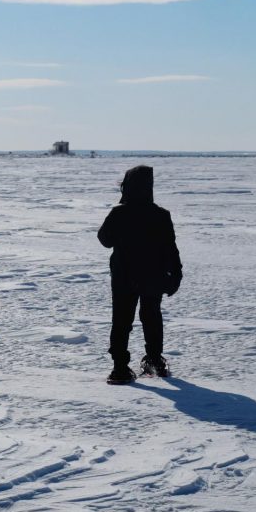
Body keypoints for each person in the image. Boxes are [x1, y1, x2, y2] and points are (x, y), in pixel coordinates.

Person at [97, 164, 182, 384]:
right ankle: (154, 360)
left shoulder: (119, 212)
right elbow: (170, 248)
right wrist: (176, 274)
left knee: (122, 320)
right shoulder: (161, 215)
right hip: (153, 275)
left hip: (124, 275)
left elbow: (104, 240)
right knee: (151, 316)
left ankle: (119, 368)